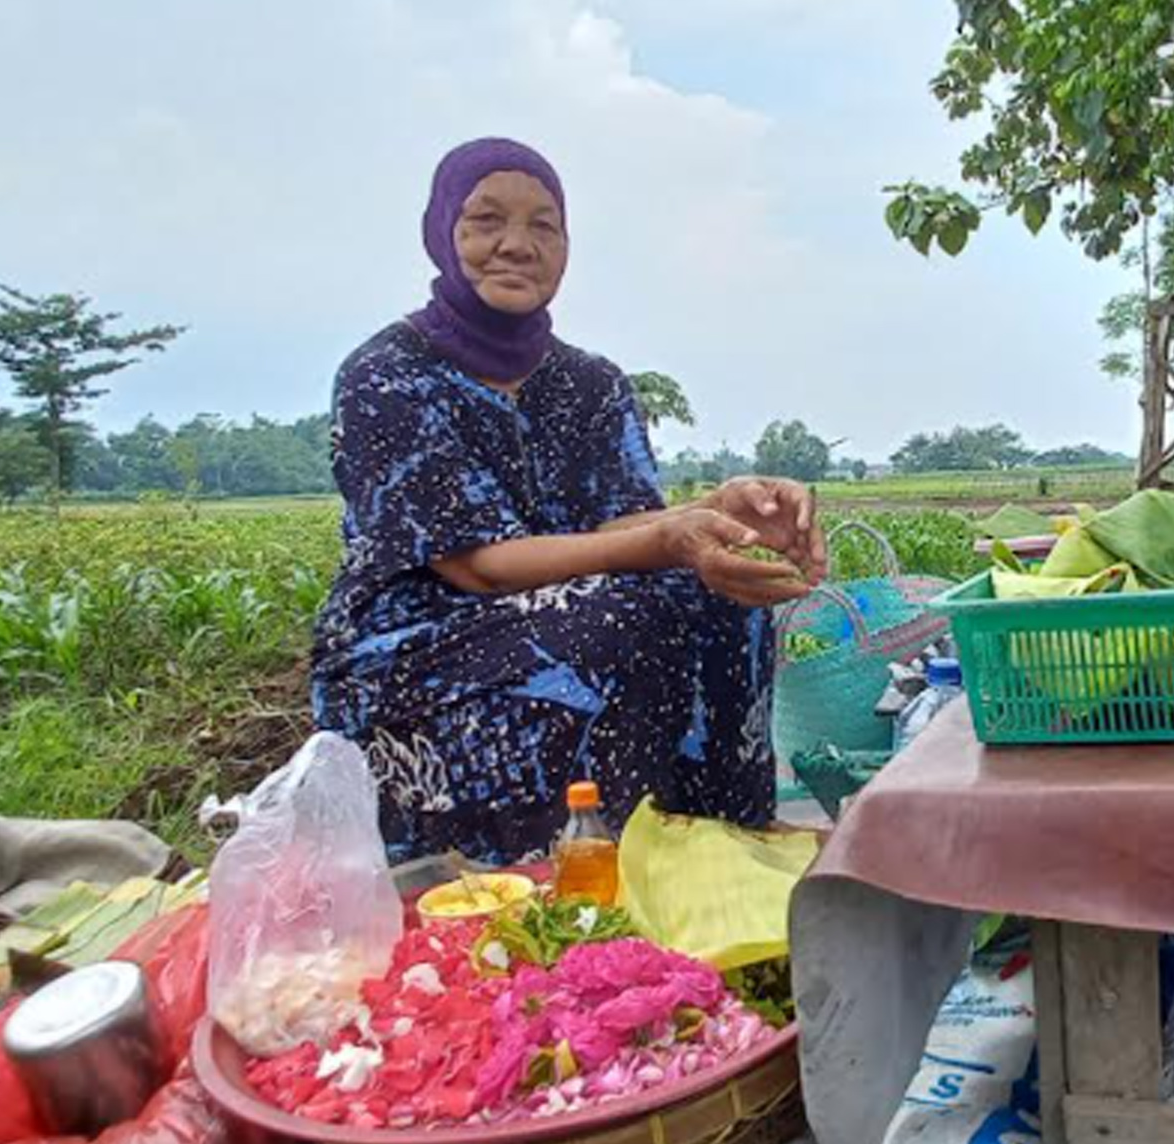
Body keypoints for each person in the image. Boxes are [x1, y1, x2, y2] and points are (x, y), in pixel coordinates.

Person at [310, 138, 828, 865]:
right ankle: (580, 868)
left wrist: (718, 510)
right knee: (619, 616)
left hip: (570, 601)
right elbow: (476, 566)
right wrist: (669, 539)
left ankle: (725, 844)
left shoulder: (592, 384)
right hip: (417, 640)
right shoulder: (384, 377)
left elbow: (620, 523)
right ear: (440, 234)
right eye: (485, 220)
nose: (516, 245)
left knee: (720, 598)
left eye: (543, 225)